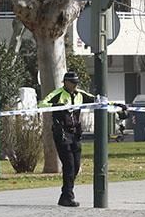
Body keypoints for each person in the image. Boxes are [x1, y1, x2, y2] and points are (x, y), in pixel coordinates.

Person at [38, 72, 105, 207]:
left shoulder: (80, 94)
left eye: (76, 83)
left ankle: (65, 196)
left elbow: (97, 100)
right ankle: (68, 196)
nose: (75, 85)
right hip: (62, 133)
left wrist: (112, 103)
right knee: (69, 165)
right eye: (73, 83)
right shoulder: (57, 93)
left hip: (75, 134)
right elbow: (42, 104)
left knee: (76, 166)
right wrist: (57, 106)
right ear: (65, 82)